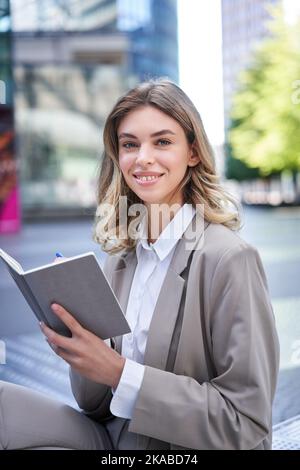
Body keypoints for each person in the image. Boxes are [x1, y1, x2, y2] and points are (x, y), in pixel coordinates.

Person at [0, 79, 279, 450]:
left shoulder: (228, 259)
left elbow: (245, 421)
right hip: (118, 438)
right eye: (130, 144)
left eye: (162, 142)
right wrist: (82, 348)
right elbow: (93, 404)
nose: (142, 157)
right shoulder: (119, 259)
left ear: (193, 152)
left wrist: (118, 373)